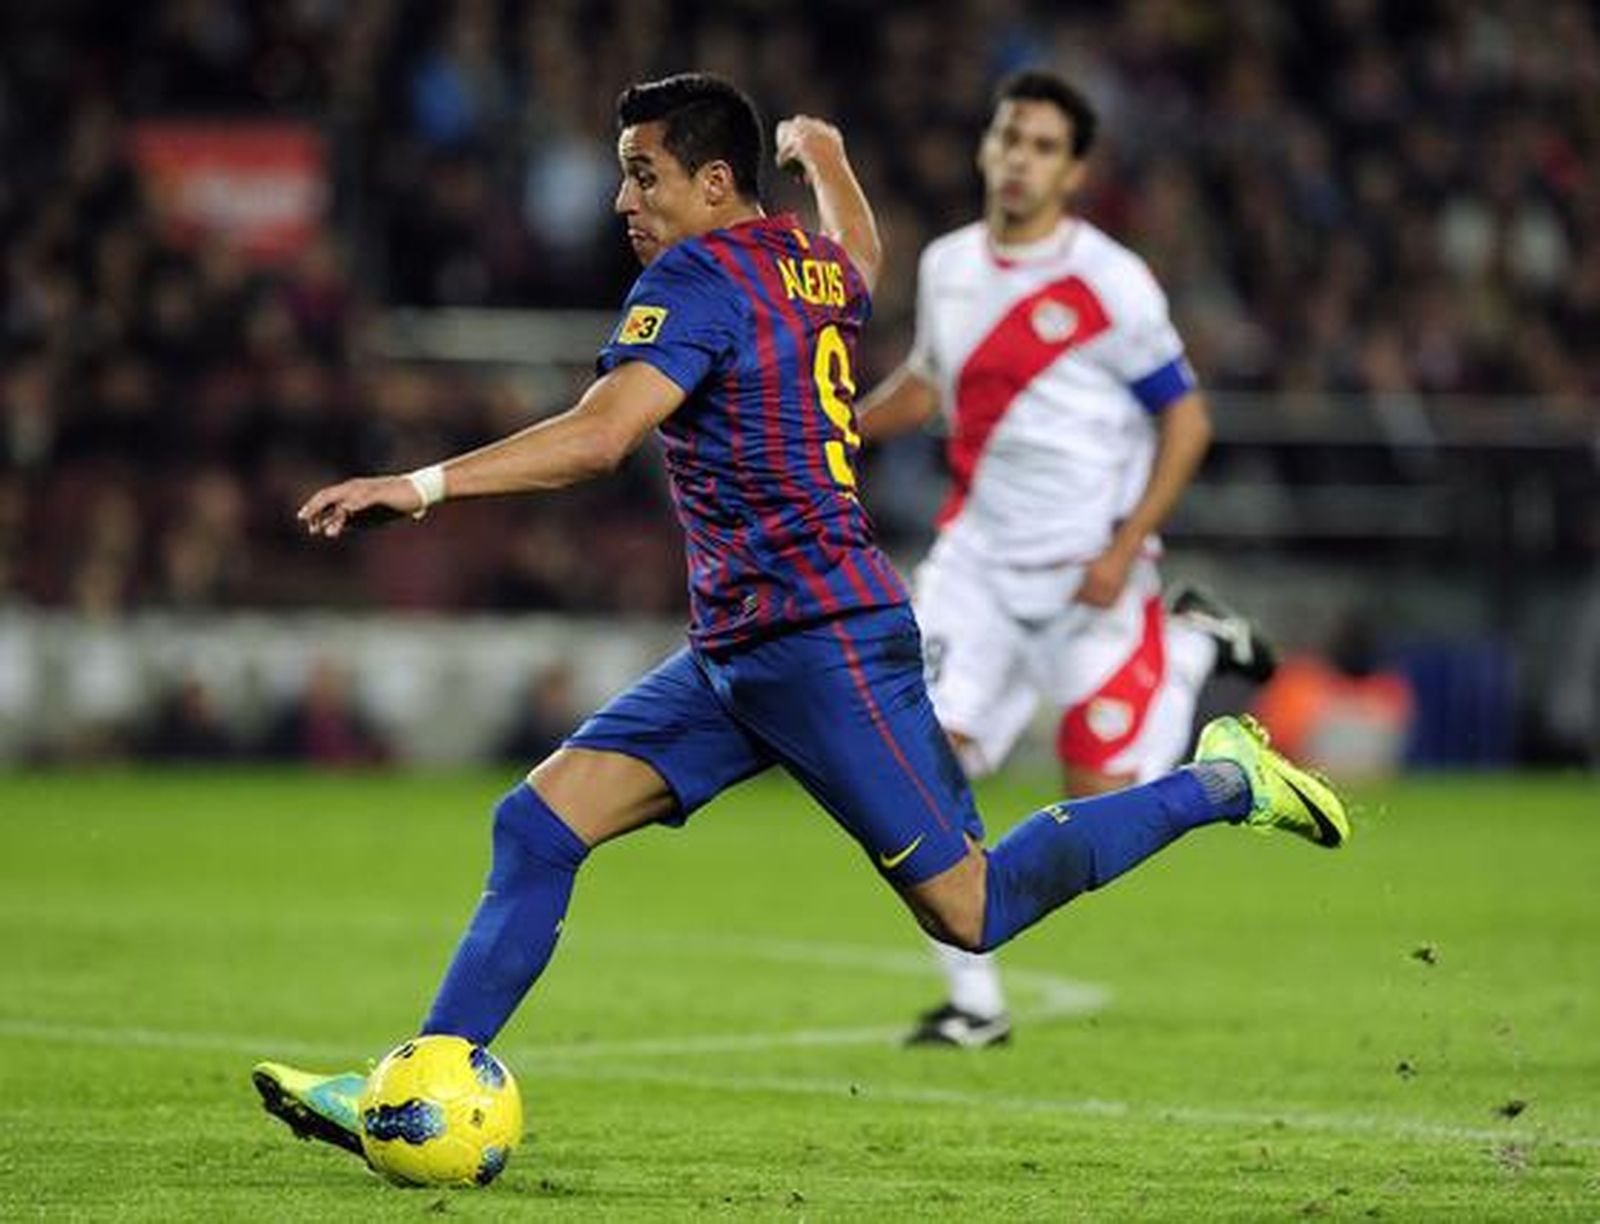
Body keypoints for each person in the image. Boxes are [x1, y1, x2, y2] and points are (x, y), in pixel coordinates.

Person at [251, 73, 1348, 1162]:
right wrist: (823, 160)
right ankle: (423, 1084)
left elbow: (598, 438)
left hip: (824, 642)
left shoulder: (694, 280)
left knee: (969, 910)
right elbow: (861, 257)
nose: (622, 203)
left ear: (715, 181)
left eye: (644, 176)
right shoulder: (804, 264)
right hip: (737, 650)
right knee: (536, 824)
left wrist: (423, 485)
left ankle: (1224, 780)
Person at [854, 70, 1277, 1049]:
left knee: (1104, 805)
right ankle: (975, 1006)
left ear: (1074, 170)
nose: (1019, 159)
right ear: (984, 148)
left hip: (1091, 570)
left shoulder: (1110, 282)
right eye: (1008, 138)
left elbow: (1188, 419)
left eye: (1043, 146)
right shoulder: (953, 263)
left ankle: (1187, 648)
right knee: (918, 778)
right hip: (976, 567)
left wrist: (1127, 544)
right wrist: (843, 424)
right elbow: (929, 383)